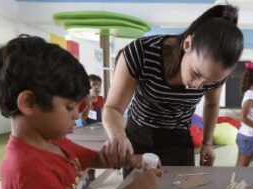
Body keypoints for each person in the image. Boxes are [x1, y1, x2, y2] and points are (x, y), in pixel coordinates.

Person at [0, 35, 161, 189]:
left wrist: (129, 160)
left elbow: (89, 158)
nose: (77, 115)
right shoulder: (27, 169)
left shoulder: (51, 139)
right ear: (29, 102)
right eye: (70, 107)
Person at [102, 5, 243, 174]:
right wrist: (118, 135)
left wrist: (207, 143)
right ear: (187, 44)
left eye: (210, 81)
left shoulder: (216, 72)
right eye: (196, 73)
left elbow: (212, 103)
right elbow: (112, 108)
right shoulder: (141, 53)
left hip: (179, 136)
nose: (198, 85)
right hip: (139, 134)